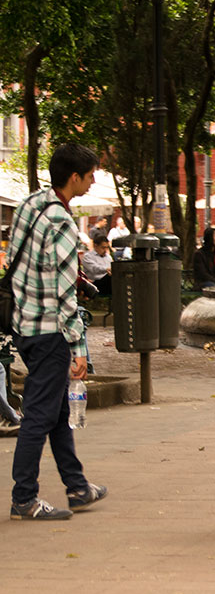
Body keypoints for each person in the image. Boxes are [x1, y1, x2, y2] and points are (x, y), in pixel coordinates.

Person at [10, 143, 107, 520]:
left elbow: (16, 264)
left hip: (25, 324)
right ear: (74, 177)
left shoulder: (30, 205)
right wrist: (78, 345)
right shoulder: (64, 225)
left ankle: (77, 486)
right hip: (51, 330)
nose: (92, 180)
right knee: (38, 415)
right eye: (89, 174)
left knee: (58, 408)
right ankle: (24, 498)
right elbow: (65, 293)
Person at [80, 232, 113, 296]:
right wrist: (107, 269)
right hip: (95, 283)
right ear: (95, 246)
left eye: (106, 247)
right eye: (103, 247)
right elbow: (94, 269)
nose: (105, 250)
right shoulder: (88, 256)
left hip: (107, 282)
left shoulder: (108, 257)